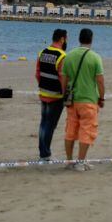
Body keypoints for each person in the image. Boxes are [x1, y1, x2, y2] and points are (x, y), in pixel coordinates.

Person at [61, 28, 105, 172]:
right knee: (87, 130)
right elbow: (100, 81)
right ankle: (80, 161)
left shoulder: (69, 56)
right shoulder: (95, 57)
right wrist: (102, 97)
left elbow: (64, 78)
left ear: (79, 38)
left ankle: (69, 160)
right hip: (88, 99)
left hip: (72, 99)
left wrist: (64, 94)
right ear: (91, 39)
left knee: (71, 129)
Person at [35, 29, 67, 161]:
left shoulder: (42, 53)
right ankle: (45, 154)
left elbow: (37, 73)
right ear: (62, 39)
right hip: (56, 96)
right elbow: (62, 77)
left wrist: (43, 85)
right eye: (66, 38)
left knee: (43, 124)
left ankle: (43, 152)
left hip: (43, 93)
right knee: (50, 126)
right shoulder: (62, 55)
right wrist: (65, 93)